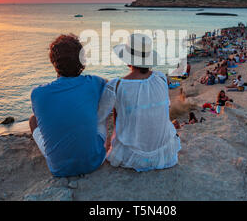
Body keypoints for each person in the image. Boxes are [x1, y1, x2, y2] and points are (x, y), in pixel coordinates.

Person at [97, 33, 181, 172]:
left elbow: (100, 118)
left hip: (131, 157)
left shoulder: (116, 85)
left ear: (128, 60)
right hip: (164, 155)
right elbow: (166, 108)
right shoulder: (161, 78)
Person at [29, 34, 106, 177]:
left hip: (59, 168)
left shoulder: (38, 93)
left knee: (32, 120)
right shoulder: (94, 82)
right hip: (94, 163)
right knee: (98, 113)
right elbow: (109, 87)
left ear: (53, 62)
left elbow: (41, 118)